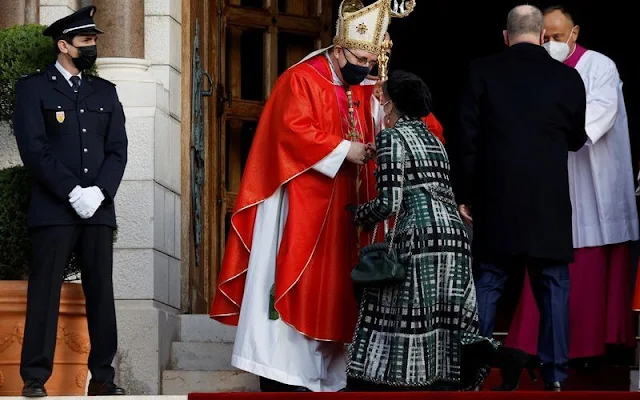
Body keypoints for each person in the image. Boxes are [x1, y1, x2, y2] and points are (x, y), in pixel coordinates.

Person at [209, 0, 414, 392]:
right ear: (338, 49)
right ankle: (284, 373)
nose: (366, 67)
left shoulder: (362, 85)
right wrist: (343, 150)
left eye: (372, 61)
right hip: (303, 203)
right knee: (294, 279)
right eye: (361, 58)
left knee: (338, 290)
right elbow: (291, 131)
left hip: (342, 210)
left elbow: (382, 119)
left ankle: (328, 376)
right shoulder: (301, 79)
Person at [346, 69, 509, 391]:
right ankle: (497, 360)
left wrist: (358, 214)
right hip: (455, 236)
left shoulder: (391, 137)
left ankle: (403, 382)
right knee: (448, 319)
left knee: (409, 316)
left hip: (420, 236)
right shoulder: (433, 139)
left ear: (391, 105)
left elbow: (389, 202)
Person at [453, 5, 587, 392]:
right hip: (549, 201)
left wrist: (467, 194)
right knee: (554, 284)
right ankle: (556, 374)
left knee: (489, 280)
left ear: (506, 36)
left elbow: (467, 140)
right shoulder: (567, 78)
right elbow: (577, 139)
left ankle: (474, 376)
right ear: (543, 36)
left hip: (496, 197)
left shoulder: (481, 71)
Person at [506, 5, 639, 361]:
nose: (551, 43)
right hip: (550, 176)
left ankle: (589, 346)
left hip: (593, 175)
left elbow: (600, 114)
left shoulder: (600, 66)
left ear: (575, 33)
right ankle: (537, 344)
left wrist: (546, 130)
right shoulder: (535, 69)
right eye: (544, 38)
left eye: (559, 37)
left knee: (588, 245)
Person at [13, 6, 127, 397]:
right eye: (85, 41)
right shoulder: (33, 88)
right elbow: (34, 148)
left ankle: (104, 379)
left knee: (101, 292)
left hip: (97, 209)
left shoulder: (105, 92)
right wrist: (71, 191)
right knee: (44, 292)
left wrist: (98, 192)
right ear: (64, 45)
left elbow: (117, 150)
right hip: (53, 209)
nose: (92, 46)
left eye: (94, 40)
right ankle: (34, 378)